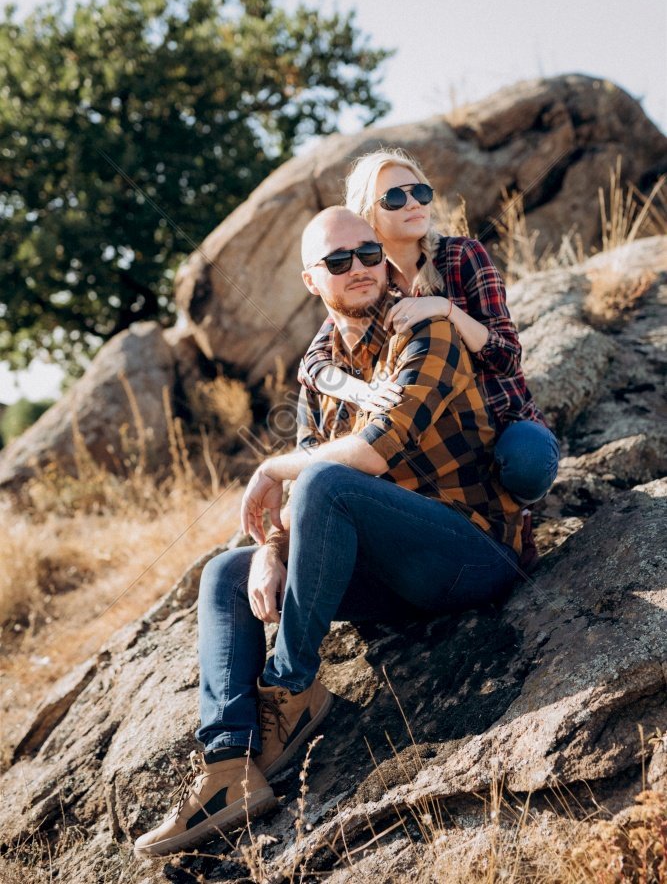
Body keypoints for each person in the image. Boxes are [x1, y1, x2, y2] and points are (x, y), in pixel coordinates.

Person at [133, 207, 524, 858]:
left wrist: (269, 467)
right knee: (224, 573)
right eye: (338, 262)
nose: (361, 268)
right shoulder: (319, 365)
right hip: (391, 573)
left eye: (369, 253)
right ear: (312, 281)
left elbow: (366, 455)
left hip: (468, 553)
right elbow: (315, 459)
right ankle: (229, 766)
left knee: (325, 482)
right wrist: (270, 549)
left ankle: (290, 688)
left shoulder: (424, 329)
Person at [298, 148, 560, 518]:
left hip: (503, 423)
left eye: (419, 191)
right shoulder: (368, 279)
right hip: (436, 436)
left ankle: (517, 519)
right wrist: (360, 391)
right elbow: (313, 361)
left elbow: (506, 356)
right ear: (368, 214)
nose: (413, 204)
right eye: (394, 197)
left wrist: (445, 309)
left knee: (528, 461)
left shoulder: (461, 255)